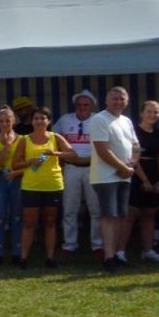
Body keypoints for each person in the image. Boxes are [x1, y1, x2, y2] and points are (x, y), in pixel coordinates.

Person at [11, 107, 75, 268]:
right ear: (32, 121)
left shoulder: (55, 137)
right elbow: (15, 164)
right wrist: (30, 162)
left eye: (42, 118)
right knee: (29, 223)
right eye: (36, 118)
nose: (39, 121)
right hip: (31, 185)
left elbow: (73, 154)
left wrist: (56, 154)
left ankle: (50, 258)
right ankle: (23, 258)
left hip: (52, 184)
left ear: (49, 121)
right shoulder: (24, 140)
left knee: (50, 222)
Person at [89, 86, 139, 272]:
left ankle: (118, 254)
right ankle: (108, 257)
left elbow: (136, 145)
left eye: (121, 98)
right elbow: (103, 149)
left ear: (127, 101)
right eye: (114, 98)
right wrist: (122, 167)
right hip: (105, 177)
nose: (118, 101)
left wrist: (132, 164)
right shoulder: (99, 119)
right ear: (107, 101)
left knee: (121, 215)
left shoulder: (126, 121)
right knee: (109, 215)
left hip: (124, 175)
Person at [51, 89, 101, 258]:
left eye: (86, 105)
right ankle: (69, 244)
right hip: (71, 167)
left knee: (95, 208)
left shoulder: (99, 120)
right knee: (70, 208)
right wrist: (61, 158)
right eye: (79, 105)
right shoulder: (65, 120)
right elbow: (52, 137)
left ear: (92, 106)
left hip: (93, 167)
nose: (82, 108)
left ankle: (97, 245)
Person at [123, 99, 159, 262]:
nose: (152, 115)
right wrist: (144, 180)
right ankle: (120, 252)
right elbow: (134, 157)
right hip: (137, 174)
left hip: (155, 175)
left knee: (150, 213)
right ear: (141, 113)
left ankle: (148, 250)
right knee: (131, 214)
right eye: (149, 111)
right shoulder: (135, 133)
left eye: (156, 112)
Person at [0, 106, 23, 265]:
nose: (4, 124)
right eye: (1, 121)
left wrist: (16, 173)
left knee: (17, 216)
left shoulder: (22, 139)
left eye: (7, 120)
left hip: (16, 178)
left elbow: (25, 162)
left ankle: (17, 252)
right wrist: (7, 146)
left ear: (13, 121)